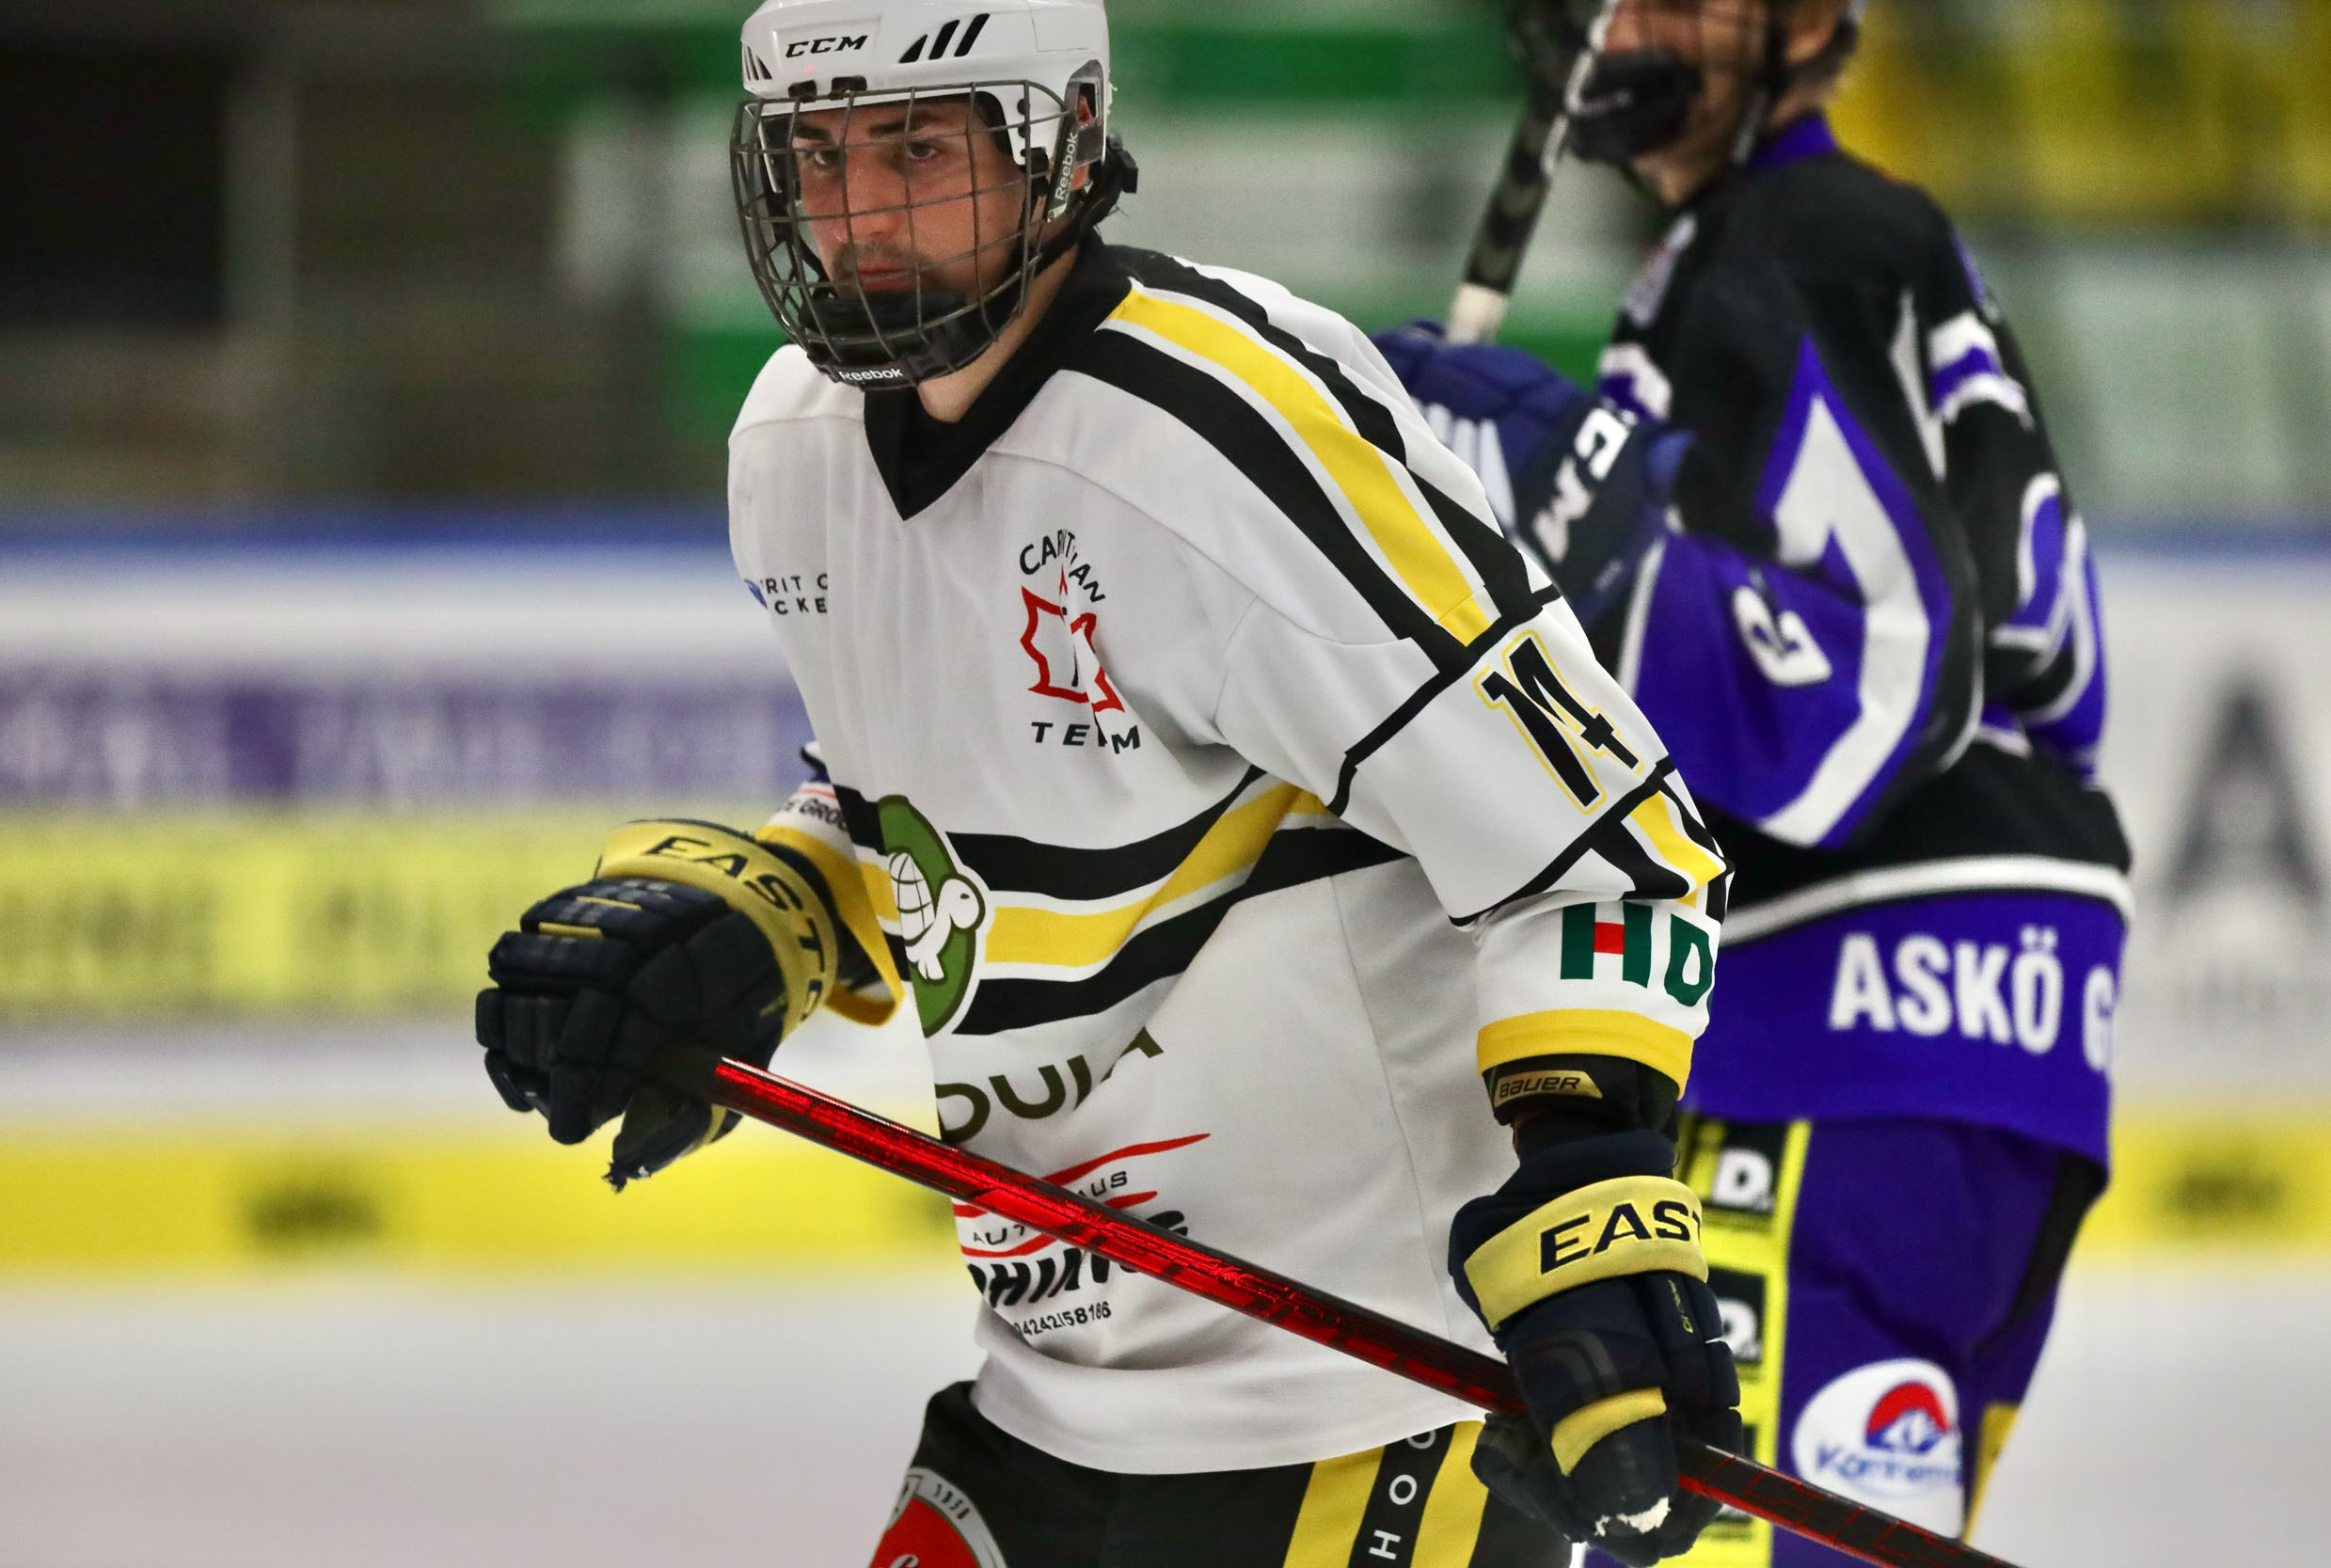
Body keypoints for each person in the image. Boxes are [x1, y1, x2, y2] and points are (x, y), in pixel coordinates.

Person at [472, 1, 1747, 1562]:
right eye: (819, 154)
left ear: (1061, 143)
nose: (858, 213)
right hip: (1048, 1397)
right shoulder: (792, 451)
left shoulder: (1218, 432)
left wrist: (1592, 1196)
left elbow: (1613, 849)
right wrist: (768, 923)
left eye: (916, 148)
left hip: (1364, 1405)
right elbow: (930, 825)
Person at [1375, 3, 2130, 1562]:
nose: (1627, 22)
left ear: (1807, 21)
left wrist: (1569, 494)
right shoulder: (1793, 244)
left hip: (1843, 1037)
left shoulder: (1793, 238)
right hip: (1975, 1042)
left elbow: (1871, 692)